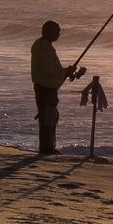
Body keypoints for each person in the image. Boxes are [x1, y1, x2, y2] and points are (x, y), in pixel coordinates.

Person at [31, 20, 84, 155]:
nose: (59, 34)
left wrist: (66, 72)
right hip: (46, 88)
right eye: (57, 32)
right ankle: (47, 149)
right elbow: (50, 70)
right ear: (49, 32)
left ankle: (48, 147)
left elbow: (52, 70)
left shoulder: (43, 46)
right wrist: (66, 71)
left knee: (50, 116)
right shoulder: (44, 48)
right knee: (49, 118)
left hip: (45, 87)